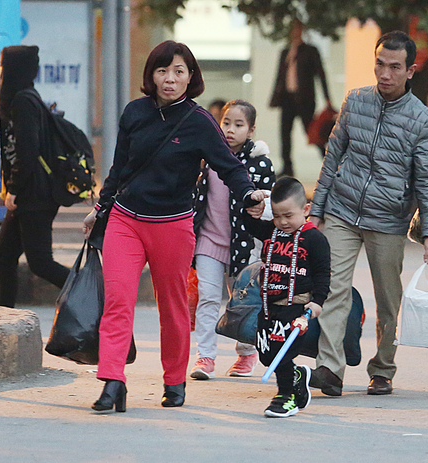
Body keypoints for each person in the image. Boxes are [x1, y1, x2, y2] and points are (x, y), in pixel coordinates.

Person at [83, 41, 266, 411]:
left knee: (173, 306)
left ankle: (174, 380)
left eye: (179, 71)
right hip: (125, 221)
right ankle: (113, 381)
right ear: (151, 75)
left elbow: (228, 166)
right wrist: (100, 208)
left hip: (173, 226)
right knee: (117, 302)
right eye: (162, 71)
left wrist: (249, 195)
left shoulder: (199, 122)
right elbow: (120, 168)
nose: (170, 79)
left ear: (190, 77)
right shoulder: (135, 112)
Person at [308, 31, 428, 397]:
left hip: (389, 219)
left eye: (395, 67)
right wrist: (317, 210)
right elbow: (333, 155)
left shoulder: (423, 119)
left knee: (388, 300)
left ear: (410, 71)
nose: (385, 73)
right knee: (333, 289)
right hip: (342, 209)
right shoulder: (355, 100)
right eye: (380, 64)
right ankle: (330, 369)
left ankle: (382, 369)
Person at [190, 99, 276, 380]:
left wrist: (263, 206)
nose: (230, 130)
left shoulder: (260, 163)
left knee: (243, 301)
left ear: (251, 130)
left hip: (245, 245)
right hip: (208, 241)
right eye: (226, 122)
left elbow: (272, 202)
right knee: (208, 298)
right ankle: (205, 357)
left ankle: (246, 353)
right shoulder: (208, 156)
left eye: (239, 125)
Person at [242, 177, 331, 417]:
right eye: (278, 216)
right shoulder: (272, 230)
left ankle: (285, 397)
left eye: (289, 216)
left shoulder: (315, 239)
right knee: (267, 354)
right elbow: (247, 223)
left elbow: (323, 273)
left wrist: (318, 302)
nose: (283, 222)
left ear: (306, 210)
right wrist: (250, 202)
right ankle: (297, 376)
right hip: (269, 308)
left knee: (282, 354)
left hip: (296, 307)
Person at [0, 45, 70, 308]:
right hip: (29, 192)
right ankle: (4, 319)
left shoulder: (24, 101)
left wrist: (13, 189)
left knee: (40, 263)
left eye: (2, 64)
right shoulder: (23, 97)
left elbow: (27, 152)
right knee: (4, 256)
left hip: (34, 195)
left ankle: (94, 294)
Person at [269, 18, 332, 176]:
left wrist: (327, 98)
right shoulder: (285, 52)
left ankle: (329, 165)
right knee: (285, 134)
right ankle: (287, 167)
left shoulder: (310, 51)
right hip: (287, 99)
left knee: (314, 134)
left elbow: (321, 75)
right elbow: (280, 76)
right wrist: (275, 98)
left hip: (305, 100)